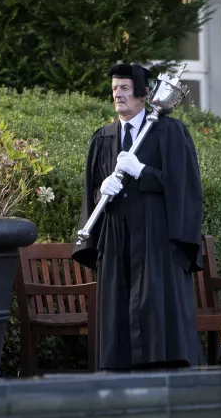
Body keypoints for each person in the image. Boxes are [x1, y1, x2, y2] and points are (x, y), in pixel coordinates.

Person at [74, 63, 204, 370]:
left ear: (144, 95)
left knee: (154, 309)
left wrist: (143, 172)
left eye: (125, 89)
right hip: (117, 235)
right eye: (114, 89)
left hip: (155, 236)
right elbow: (93, 192)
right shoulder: (103, 137)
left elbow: (183, 185)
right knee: (119, 309)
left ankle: (161, 369)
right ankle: (118, 370)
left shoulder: (170, 132)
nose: (118, 95)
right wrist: (100, 190)